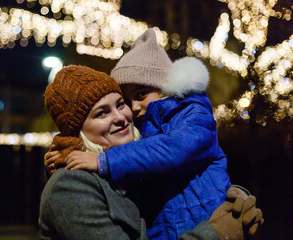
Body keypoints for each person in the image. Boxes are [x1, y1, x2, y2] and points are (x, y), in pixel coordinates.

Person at [44, 29, 236, 240]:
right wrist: (216, 233)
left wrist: (233, 197)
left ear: (165, 86)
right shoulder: (72, 185)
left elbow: (172, 152)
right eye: (102, 113)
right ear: (77, 131)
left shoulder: (189, 116)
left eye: (120, 104)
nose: (126, 113)